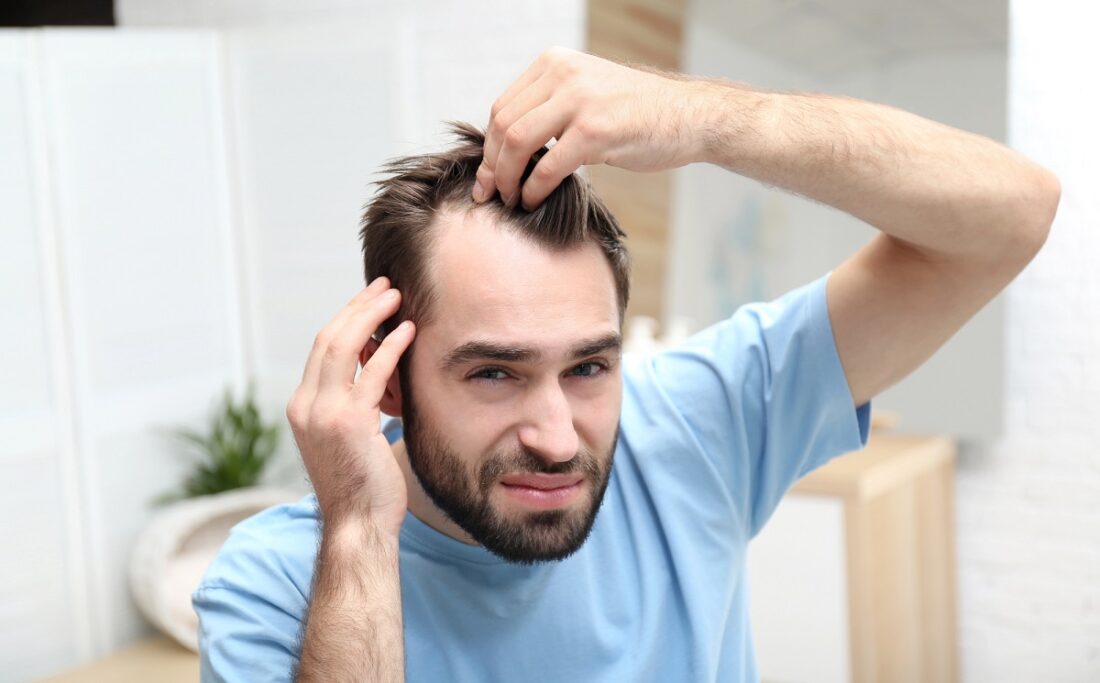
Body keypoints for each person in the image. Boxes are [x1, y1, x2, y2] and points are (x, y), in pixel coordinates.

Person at [193, 47, 1060, 682]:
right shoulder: (277, 585)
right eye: (494, 373)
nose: (556, 437)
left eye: (588, 368)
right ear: (387, 376)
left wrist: (707, 118)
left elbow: (1012, 215)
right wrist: (358, 530)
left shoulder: (692, 426)